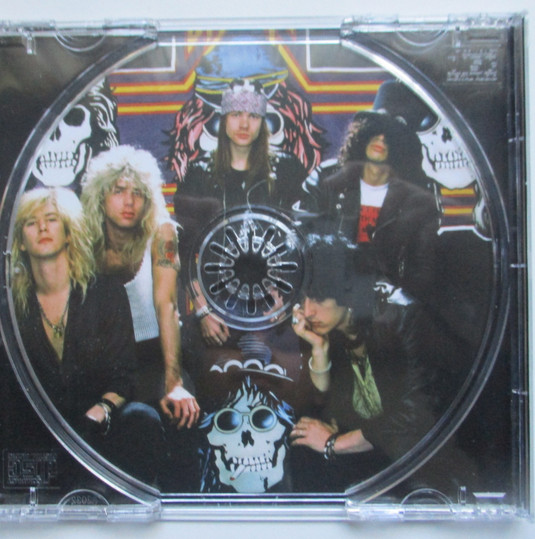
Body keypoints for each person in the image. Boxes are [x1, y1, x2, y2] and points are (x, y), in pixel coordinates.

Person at [10, 187, 163, 483]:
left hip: (98, 428)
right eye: (31, 222)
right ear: (21, 243)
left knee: (142, 417)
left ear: (68, 233)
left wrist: (102, 409)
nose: (42, 228)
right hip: (39, 435)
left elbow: (124, 376)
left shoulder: (105, 293)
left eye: (51, 219)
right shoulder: (13, 307)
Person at [288, 236, 446, 491]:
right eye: (304, 298)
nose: (307, 312)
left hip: (416, 466)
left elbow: (414, 417)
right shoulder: (331, 329)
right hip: (368, 462)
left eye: (318, 299)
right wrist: (319, 349)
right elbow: (322, 405)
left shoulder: (402, 320)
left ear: (347, 292)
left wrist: (333, 444)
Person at [174, 78, 307, 347]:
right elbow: (184, 251)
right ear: (223, 120)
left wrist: (288, 298)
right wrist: (202, 310)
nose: (244, 124)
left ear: (263, 122)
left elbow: (303, 241)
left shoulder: (287, 170)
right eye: (236, 114)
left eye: (253, 116)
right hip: (217, 307)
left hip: (275, 307)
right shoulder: (199, 174)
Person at [80, 145, 200, 429]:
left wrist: (173, 381)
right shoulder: (83, 238)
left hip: (155, 356)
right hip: (103, 363)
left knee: (165, 417)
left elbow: (167, 305)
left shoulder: (162, 233)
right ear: (100, 196)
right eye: (119, 191)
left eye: (138, 193)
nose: (129, 202)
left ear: (149, 200)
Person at [305, 111, 440, 303]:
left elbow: (422, 268)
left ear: (403, 142)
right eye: (374, 130)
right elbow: (301, 235)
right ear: (362, 135)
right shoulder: (326, 177)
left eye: (390, 133)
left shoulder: (419, 198)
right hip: (328, 296)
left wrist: (398, 296)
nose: (381, 138)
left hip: (384, 305)